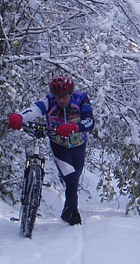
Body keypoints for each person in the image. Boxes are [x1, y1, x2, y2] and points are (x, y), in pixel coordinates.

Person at [8, 75, 94, 226]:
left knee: (74, 179)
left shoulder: (81, 99)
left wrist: (75, 127)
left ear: (71, 94)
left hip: (79, 145)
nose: (61, 100)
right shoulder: (49, 101)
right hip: (59, 145)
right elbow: (35, 109)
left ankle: (67, 208)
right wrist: (20, 116)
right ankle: (73, 216)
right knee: (71, 179)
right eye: (58, 96)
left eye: (64, 96)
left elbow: (90, 121)